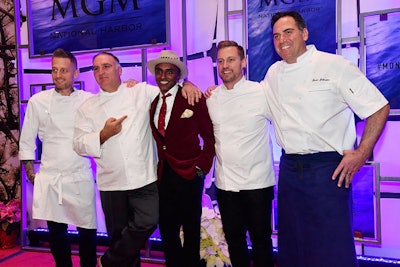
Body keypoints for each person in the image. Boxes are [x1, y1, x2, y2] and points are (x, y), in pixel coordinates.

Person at [263, 11, 390, 267]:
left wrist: (362, 153)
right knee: (293, 244)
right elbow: (249, 99)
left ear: (304, 33)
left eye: (288, 32)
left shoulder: (335, 65)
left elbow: (378, 107)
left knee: (331, 246)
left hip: (328, 170)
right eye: (276, 35)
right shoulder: (273, 74)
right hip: (289, 170)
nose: (282, 40)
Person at [73, 51, 201, 267]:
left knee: (148, 221)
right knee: (120, 236)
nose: (101, 72)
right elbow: (78, 144)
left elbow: (169, 88)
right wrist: (103, 134)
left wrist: (187, 83)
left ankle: (108, 261)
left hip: (144, 179)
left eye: (106, 66)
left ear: (119, 70)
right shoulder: (87, 107)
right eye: (96, 68)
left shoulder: (140, 91)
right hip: (111, 183)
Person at [19, 48, 97, 267]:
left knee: (87, 232)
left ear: (76, 73)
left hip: (80, 175)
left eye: (64, 70)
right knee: (57, 234)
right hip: (51, 178)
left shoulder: (88, 100)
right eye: (54, 70)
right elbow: (27, 139)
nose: (58, 75)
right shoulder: (38, 101)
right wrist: (31, 173)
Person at [206, 41, 276, 267]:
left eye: (231, 60)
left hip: (257, 183)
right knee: (234, 243)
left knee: (261, 243)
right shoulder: (212, 98)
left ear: (243, 62)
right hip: (226, 185)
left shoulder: (261, 92)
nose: (225, 66)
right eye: (221, 61)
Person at [147, 50, 215, 267]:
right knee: (167, 229)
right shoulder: (153, 101)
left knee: (191, 228)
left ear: (178, 75)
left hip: (190, 173)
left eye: (169, 71)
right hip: (163, 174)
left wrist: (202, 167)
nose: (163, 76)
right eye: (159, 71)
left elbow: (210, 137)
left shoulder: (192, 98)